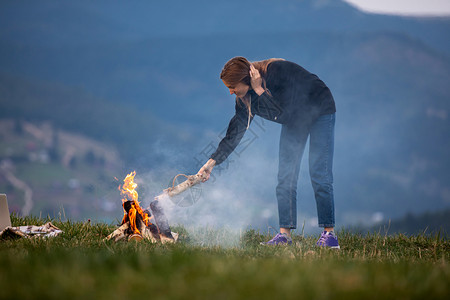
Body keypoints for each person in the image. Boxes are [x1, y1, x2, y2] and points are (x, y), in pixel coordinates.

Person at [197, 56, 339, 248]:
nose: (230, 92)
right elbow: (234, 134)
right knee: (285, 176)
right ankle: (284, 236)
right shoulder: (244, 98)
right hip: (294, 119)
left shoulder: (277, 72)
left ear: (246, 79)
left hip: (320, 109)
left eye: (232, 86)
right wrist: (211, 163)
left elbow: (283, 114)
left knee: (319, 172)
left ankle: (329, 236)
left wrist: (259, 90)